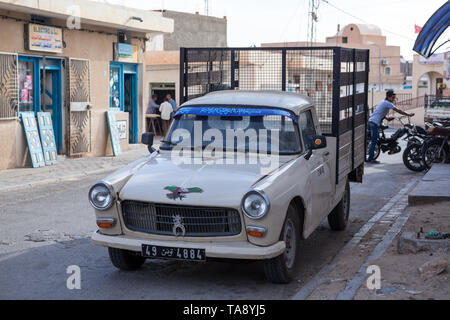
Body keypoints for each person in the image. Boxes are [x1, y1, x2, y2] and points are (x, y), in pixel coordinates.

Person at [366, 90, 415, 164]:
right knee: (374, 141)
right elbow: (398, 110)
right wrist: (408, 114)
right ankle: (370, 158)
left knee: (374, 140)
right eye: (392, 97)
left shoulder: (382, 102)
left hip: (371, 121)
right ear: (388, 97)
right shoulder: (387, 103)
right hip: (374, 123)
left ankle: (374, 154)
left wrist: (387, 118)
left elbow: (379, 112)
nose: (394, 99)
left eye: (394, 98)